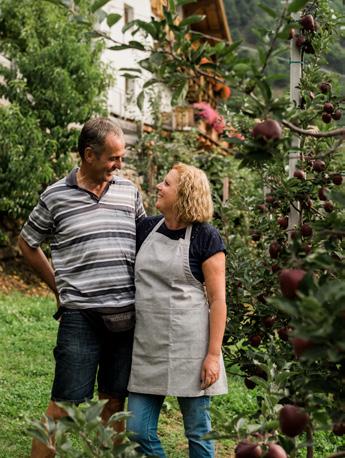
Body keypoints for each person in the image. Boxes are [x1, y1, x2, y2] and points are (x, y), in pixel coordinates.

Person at [18, 117, 145, 458]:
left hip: (125, 317)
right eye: (113, 158)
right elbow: (27, 243)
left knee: (115, 402)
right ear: (89, 155)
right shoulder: (56, 196)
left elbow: (145, 244)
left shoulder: (128, 192)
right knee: (64, 405)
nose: (119, 165)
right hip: (81, 318)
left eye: (121, 158)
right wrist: (57, 286)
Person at [127, 162, 228, 458]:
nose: (159, 187)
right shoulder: (146, 228)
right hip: (148, 345)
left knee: (198, 431)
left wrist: (213, 354)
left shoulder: (206, 237)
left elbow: (218, 300)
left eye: (167, 184)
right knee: (137, 430)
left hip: (192, 349)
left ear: (184, 194)